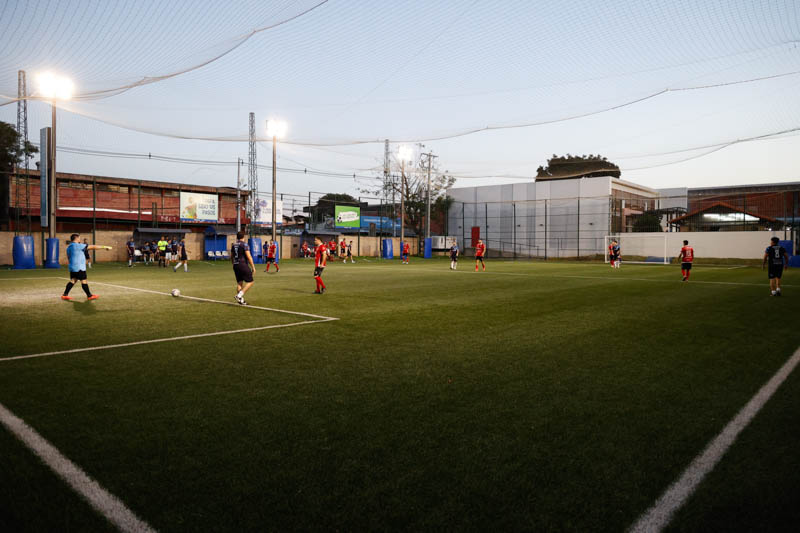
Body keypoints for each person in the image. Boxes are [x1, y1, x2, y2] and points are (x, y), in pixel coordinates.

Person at [61, 234, 112, 301]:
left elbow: (68, 257)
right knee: (84, 281)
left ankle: (65, 295)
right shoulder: (78, 246)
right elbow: (93, 247)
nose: (80, 239)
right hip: (79, 267)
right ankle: (89, 295)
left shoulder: (69, 247)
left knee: (73, 280)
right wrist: (104, 247)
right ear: (76, 238)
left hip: (72, 267)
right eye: (79, 238)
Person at [231, 231, 255, 305]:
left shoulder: (234, 245)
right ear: (243, 237)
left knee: (239, 283)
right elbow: (248, 256)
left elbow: (231, 256)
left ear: (237, 237)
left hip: (236, 265)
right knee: (250, 281)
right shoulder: (244, 244)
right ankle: (239, 295)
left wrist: (233, 264)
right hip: (243, 264)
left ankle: (241, 300)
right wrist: (253, 267)